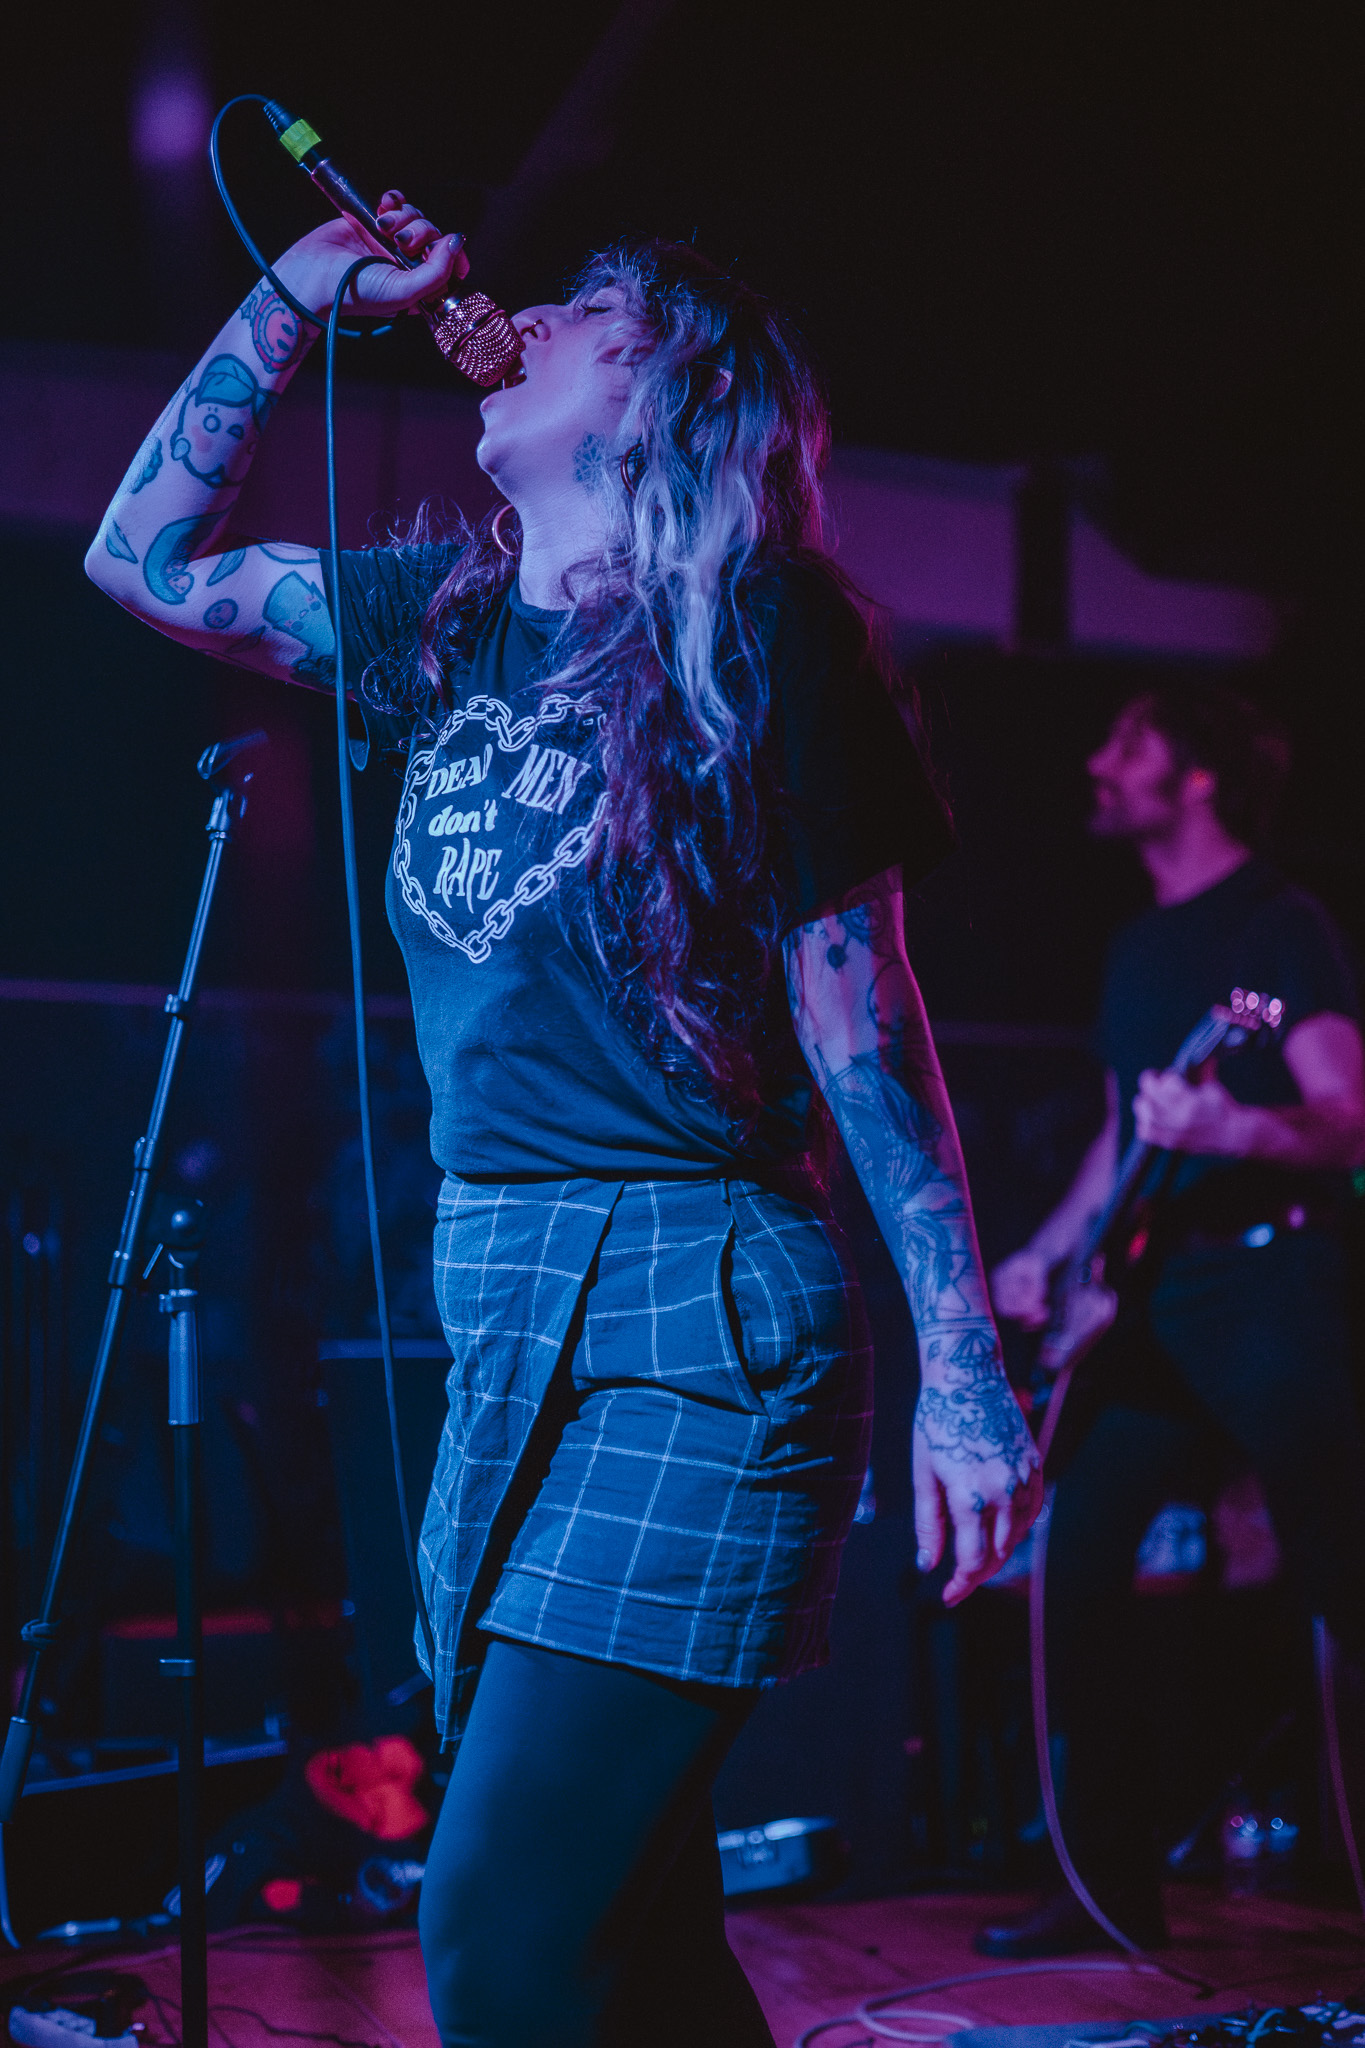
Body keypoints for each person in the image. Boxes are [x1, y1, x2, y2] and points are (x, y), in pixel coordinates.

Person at [86, 197, 1041, 2044]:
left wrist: (964, 1360)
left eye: (585, 308)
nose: (519, 315)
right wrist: (294, 290)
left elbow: (864, 1021)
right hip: (506, 1294)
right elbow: (143, 556)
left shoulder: (756, 634)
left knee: (501, 1929)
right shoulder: (438, 624)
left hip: (702, 1310)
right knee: (638, 1938)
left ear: (664, 386)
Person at [979, 681, 1365, 1958]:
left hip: (1271, 1287)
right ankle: (1103, 1892)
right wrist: (1046, 1251)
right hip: (1155, 1301)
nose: (1099, 760)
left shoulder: (1280, 924)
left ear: (1196, 775)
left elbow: (1346, 1115)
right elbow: (1120, 1136)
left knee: (1342, 1579)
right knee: (1072, 1561)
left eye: (1129, 743)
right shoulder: (1141, 947)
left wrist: (1234, 1124)